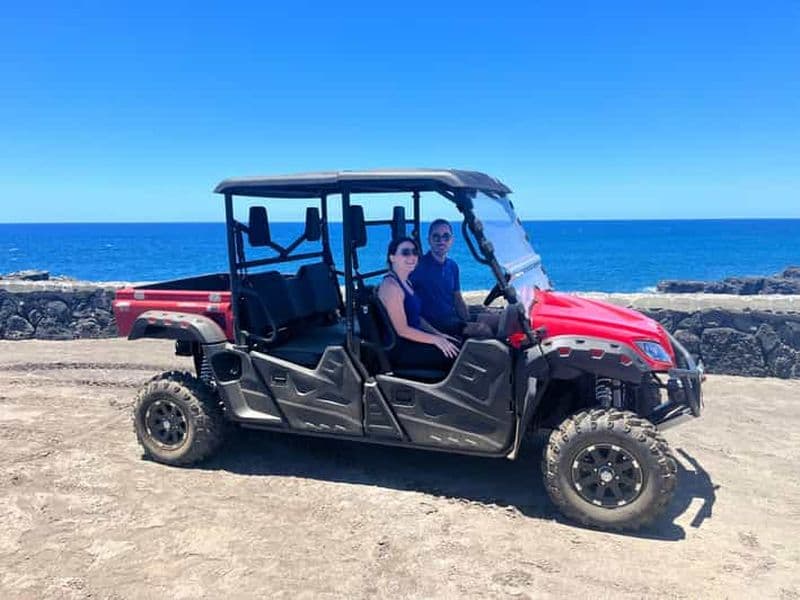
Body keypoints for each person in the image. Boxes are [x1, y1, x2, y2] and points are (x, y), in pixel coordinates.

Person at [377, 236, 460, 371]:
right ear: (392, 257)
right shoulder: (392, 287)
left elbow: (416, 318)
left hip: (414, 339)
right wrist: (435, 340)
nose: (412, 257)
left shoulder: (406, 282)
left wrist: (438, 334)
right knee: (458, 356)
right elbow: (402, 330)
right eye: (405, 252)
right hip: (402, 348)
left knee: (457, 343)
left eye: (414, 252)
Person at [410, 219, 495, 338]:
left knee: (498, 319)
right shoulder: (418, 268)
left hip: (452, 317)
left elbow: (457, 299)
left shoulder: (452, 266)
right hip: (437, 324)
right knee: (483, 329)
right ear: (429, 240)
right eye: (436, 237)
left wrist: (468, 321)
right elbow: (409, 306)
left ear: (451, 240)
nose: (441, 241)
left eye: (446, 236)